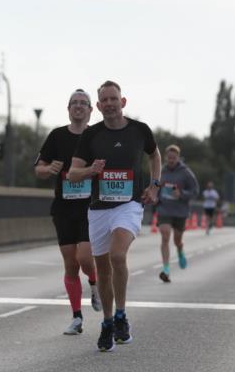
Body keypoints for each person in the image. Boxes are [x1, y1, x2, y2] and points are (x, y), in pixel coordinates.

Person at [68, 80, 161, 351]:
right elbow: (73, 173)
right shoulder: (91, 135)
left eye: (113, 99)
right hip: (98, 209)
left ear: (123, 102)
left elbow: (154, 156)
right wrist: (90, 171)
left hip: (128, 205)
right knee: (103, 271)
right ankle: (108, 322)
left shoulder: (139, 130)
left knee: (118, 255)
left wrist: (155, 185)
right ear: (98, 106)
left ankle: (121, 314)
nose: (109, 104)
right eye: (104, 100)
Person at [34, 89, 101, 335]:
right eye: (74, 103)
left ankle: (94, 286)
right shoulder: (57, 136)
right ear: (68, 108)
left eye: (83, 103)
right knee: (71, 265)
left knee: (85, 258)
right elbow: (38, 169)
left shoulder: (97, 136)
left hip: (90, 206)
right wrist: (48, 168)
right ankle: (76, 317)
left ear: (90, 110)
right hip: (63, 208)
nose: (79, 107)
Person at [156, 144, 199, 282]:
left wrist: (181, 194)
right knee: (165, 235)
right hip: (164, 209)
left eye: (174, 158)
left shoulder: (185, 172)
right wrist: (154, 195)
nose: (171, 160)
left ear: (178, 158)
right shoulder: (161, 171)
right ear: (165, 157)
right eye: (169, 158)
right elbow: (155, 186)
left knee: (177, 240)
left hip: (180, 211)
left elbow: (195, 191)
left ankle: (180, 250)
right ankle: (166, 268)